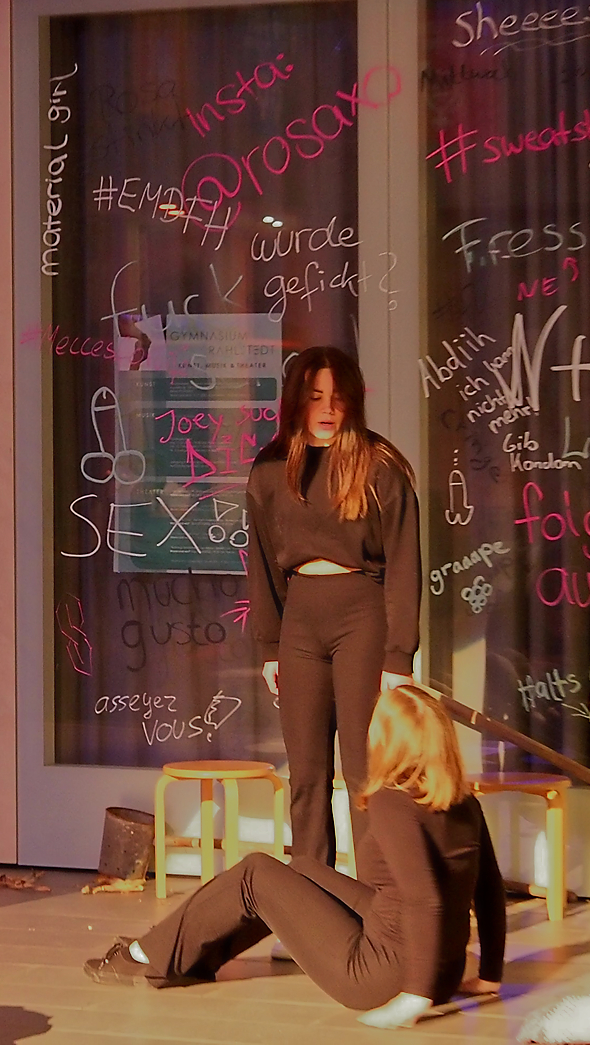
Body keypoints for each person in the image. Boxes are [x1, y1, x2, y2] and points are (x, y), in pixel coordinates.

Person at [83, 684, 505, 1029]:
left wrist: (415, 996)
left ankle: (145, 954)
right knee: (301, 869)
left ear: (387, 740)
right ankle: (187, 958)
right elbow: (489, 890)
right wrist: (489, 974)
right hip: (442, 970)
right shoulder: (465, 802)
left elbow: (424, 898)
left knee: (255, 873)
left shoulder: (393, 802)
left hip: (383, 975)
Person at [244, 345, 422, 871]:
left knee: (365, 770)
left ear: (354, 402)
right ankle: (310, 895)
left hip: (361, 614)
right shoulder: (270, 468)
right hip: (300, 622)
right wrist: (270, 646)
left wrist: (399, 656)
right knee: (306, 772)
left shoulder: (379, 464)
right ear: (295, 401)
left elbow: (404, 562)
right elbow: (261, 563)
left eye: (337, 397)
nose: (326, 408)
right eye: (315, 396)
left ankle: (377, 897)